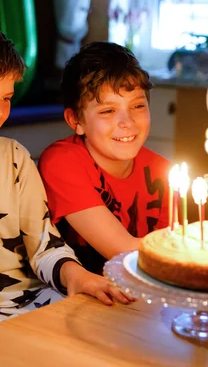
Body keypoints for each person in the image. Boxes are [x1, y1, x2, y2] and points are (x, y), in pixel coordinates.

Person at [0, 16, 132, 327]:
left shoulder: (13, 157)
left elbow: (44, 246)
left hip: (36, 301)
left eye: (6, 98)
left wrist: (78, 278)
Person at [38, 42, 170, 274]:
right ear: (75, 121)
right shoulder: (63, 162)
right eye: (108, 111)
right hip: (75, 299)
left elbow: (169, 262)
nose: (127, 122)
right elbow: (124, 252)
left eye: (138, 105)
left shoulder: (162, 171)